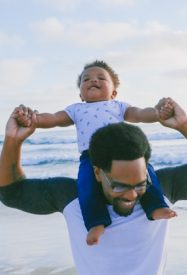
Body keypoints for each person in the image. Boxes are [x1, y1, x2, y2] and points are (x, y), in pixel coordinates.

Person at [0, 98, 187, 275]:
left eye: (140, 184)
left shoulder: (160, 189)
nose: (131, 195)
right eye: (119, 186)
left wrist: (184, 125)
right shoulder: (72, 197)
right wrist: (13, 141)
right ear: (97, 172)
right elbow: (11, 192)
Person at [15, 60, 176, 246]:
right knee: (85, 185)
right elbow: (53, 119)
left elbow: (140, 114)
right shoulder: (76, 109)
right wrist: (33, 119)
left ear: (114, 93)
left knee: (146, 173)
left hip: (122, 152)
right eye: (86, 79)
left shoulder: (119, 106)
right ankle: (96, 222)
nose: (93, 81)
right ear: (81, 94)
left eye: (101, 78)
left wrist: (158, 113)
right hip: (90, 156)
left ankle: (156, 207)